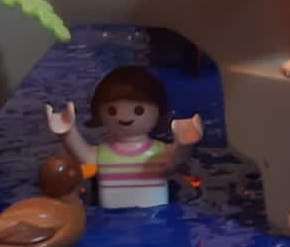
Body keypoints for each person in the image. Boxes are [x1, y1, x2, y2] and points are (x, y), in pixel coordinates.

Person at [46, 65, 203, 210]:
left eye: (139, 110)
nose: (124, 117)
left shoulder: (158, 152)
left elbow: (176, 160)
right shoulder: (103, 154)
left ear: (158, 113)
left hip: (154, 218)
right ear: (99, 114)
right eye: (112, 111)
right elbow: (83, 156)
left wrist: (184, 142)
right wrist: (67, 132)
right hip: (116, 219)